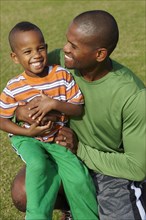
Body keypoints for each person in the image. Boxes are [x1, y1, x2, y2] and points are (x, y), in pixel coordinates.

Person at [10, 10, 146, 220]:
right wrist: (19, 111)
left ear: (99, 54)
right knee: (24, 191)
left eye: (74, 46)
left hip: (111, 172)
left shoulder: (133, 96)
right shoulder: (58, 63)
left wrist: (80, 149)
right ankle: (72, 207)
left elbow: (137, 167)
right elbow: (21, 86)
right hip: (66, 158)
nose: (65, 49)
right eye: (67, 42)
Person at [0, 21, 99, 220]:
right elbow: (2, 119)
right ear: (15, 57)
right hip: (28, 140)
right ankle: (37, 216)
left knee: (78, 177)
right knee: (38, 165)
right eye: (27, 51)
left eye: (40, 48)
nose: (36, 55)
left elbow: (77, 108)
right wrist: (28, 132)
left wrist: (53, 104)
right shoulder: (14, 87)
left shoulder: (61, 76)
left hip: (56, 138)